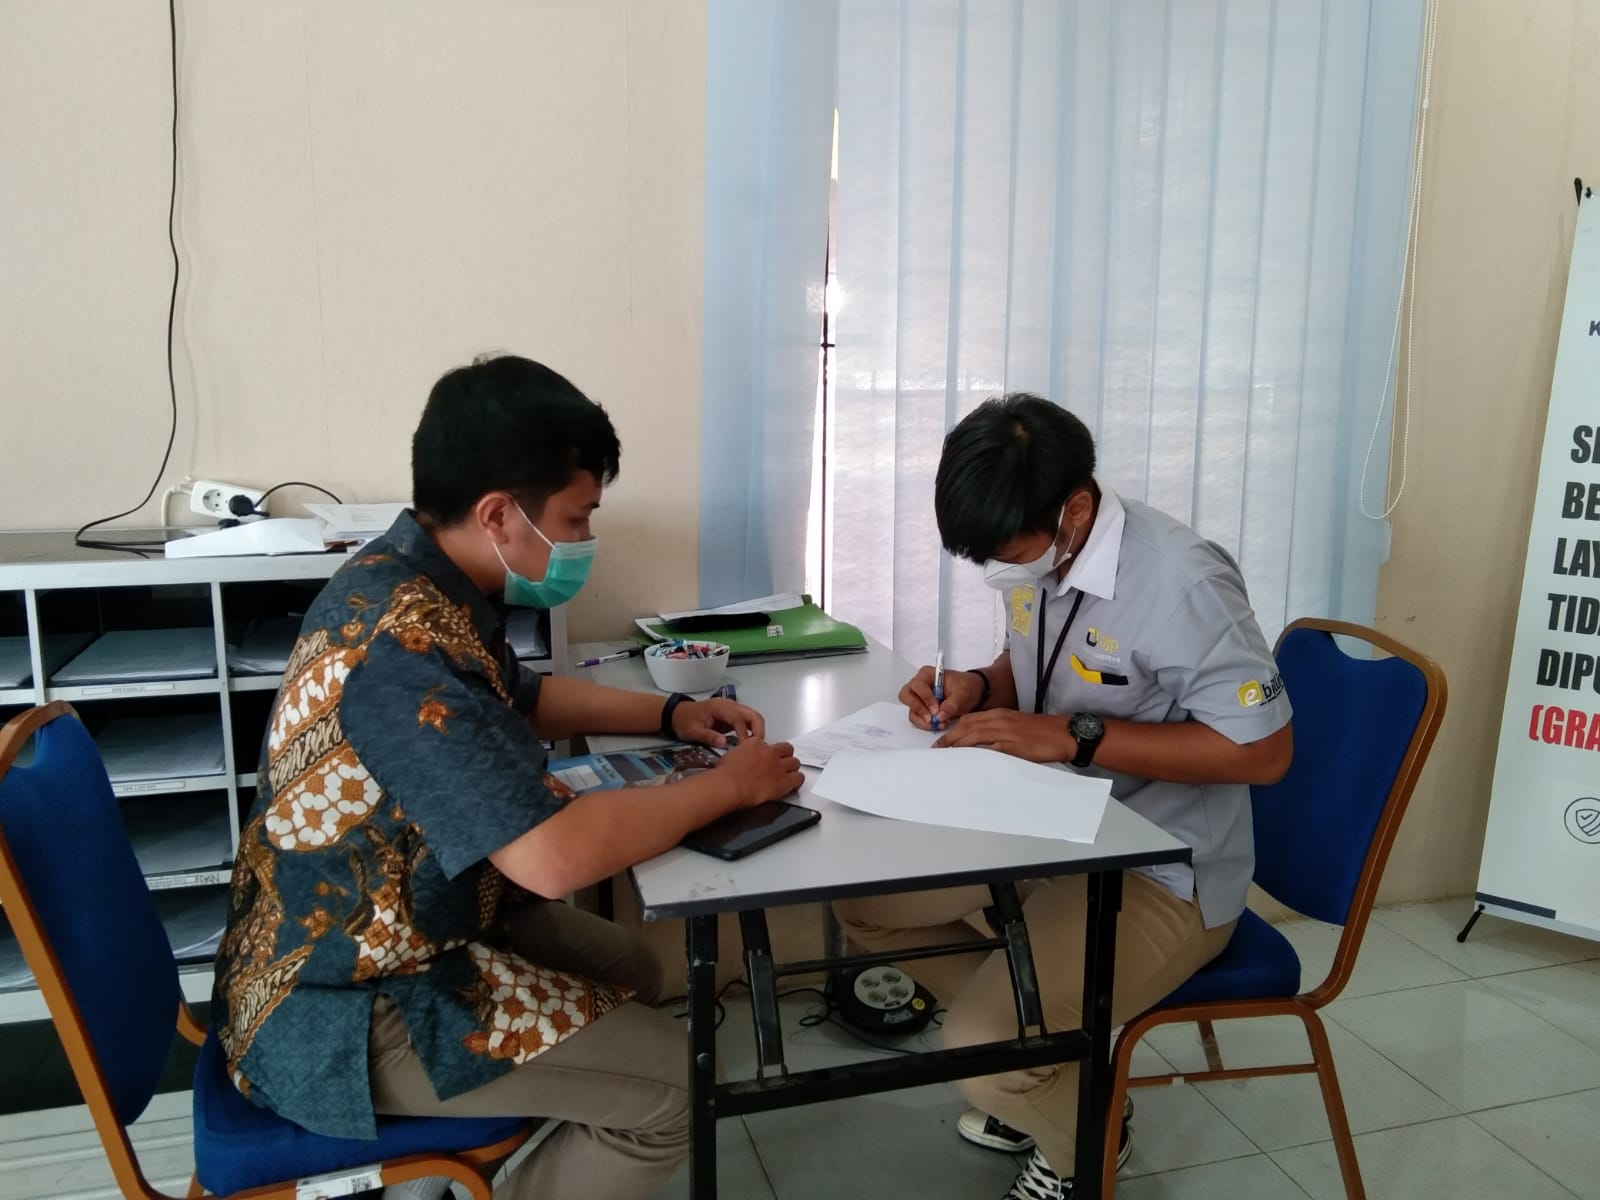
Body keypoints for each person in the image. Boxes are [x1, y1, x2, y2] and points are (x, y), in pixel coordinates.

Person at [212, 354, 803, 1200]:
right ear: (497, 513)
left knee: (631, 970)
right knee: (679, 1089)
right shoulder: (400, 651)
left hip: (413, 931)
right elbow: (553, 860)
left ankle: (511, 1157)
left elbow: (520, 696)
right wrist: (730, 786)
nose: (584, 539)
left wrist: (671, 714)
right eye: (575, 517)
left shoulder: (416, 579)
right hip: (344, 1003)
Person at [834, 393, 1293, 1200]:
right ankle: (1052, 1069)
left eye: (1008, 552)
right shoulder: (1046, 557)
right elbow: (1039, 664)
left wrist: (1073, 737)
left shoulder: (1181, 584)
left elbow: (1264, 752)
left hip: (1162, 868)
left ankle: (1082, 1133)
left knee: (982, 1050)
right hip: (1050, 827)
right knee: (867, 907)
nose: (1000, 570)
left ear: (1075, 510)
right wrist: (976, 687)